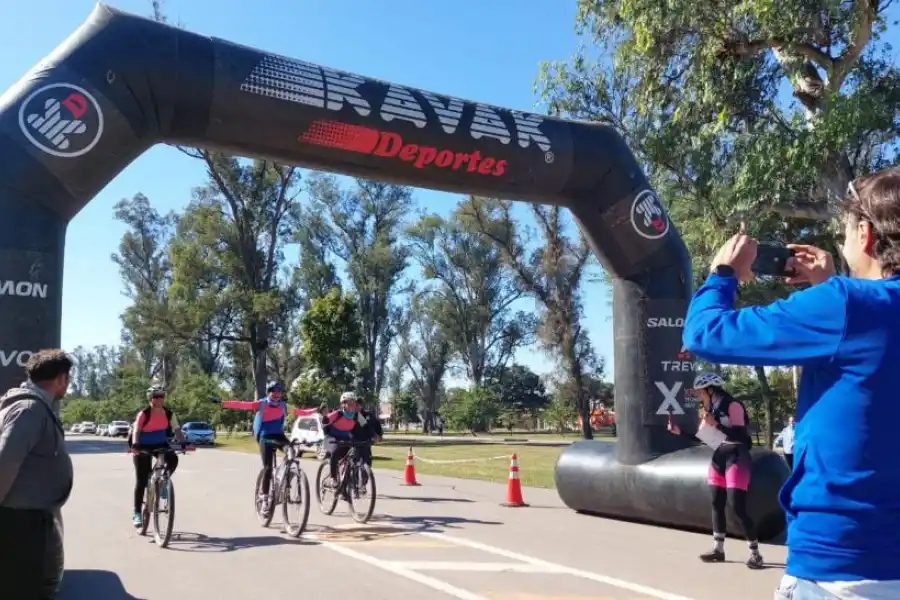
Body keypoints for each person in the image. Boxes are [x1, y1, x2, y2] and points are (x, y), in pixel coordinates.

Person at [682, 169, 900, 598]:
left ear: (867, 236)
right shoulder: (852, 307)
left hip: (840, 565)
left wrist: (723, 272)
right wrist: (831, 286)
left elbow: (705, 332)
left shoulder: (847, 305)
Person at [667, 372, 763, 569]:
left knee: (737, 507)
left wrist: (716, 423)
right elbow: (705, 437)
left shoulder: (733, 405)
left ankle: (756, 553)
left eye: (700, 392)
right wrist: (681, 432)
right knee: (716, 503)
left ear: (711, 390)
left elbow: (740, 434)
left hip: (736, 456)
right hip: (718, 458)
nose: (698, 396)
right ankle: (718, 549)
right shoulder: (710, 408)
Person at [0, 349, 74, 600]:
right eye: (69, 379)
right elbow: (5, 462)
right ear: (61, 379)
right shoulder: (29, 409)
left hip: (31, 520)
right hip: (22, 526)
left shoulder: (35, 406)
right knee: (26, 590)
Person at [219, 381, 317, 514]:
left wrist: (315, 411)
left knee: (291, 451)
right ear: (268, 392)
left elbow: (300, 412)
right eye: (274, 391)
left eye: (279, 392)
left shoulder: (283, 406)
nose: (277, 394)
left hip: (279, 435)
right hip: (264, 436)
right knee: (268, 467)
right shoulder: (262, 404)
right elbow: (242, 405)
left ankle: (286, 477)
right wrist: (224, 403)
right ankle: (265, 498)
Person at [129, 384, 186, 527]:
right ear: (150, 399)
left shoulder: (169, 414)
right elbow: (136, 430)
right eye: (156, 396)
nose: (160, 399)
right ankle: (136, 513)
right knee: (141, 480)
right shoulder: (144, 413)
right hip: (142, 444)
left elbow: (177, 430)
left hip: (160, 443)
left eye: (162, 396)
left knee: (173, 458)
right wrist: (135, 444)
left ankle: (162, 482)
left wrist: (183, 443)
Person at [322, 391, 377, 493]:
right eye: (349, 403)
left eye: (353, 403)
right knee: (335, 452)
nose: (352, 405)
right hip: (331, 437)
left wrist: (374, 436)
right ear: (343, 404)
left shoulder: (357, 415)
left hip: (345, 438)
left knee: (353, 456)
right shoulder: (337, 414)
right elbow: (325, 421)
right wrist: (325, 421)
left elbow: (366, 427)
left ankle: (345, 486)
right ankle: (333, 478)